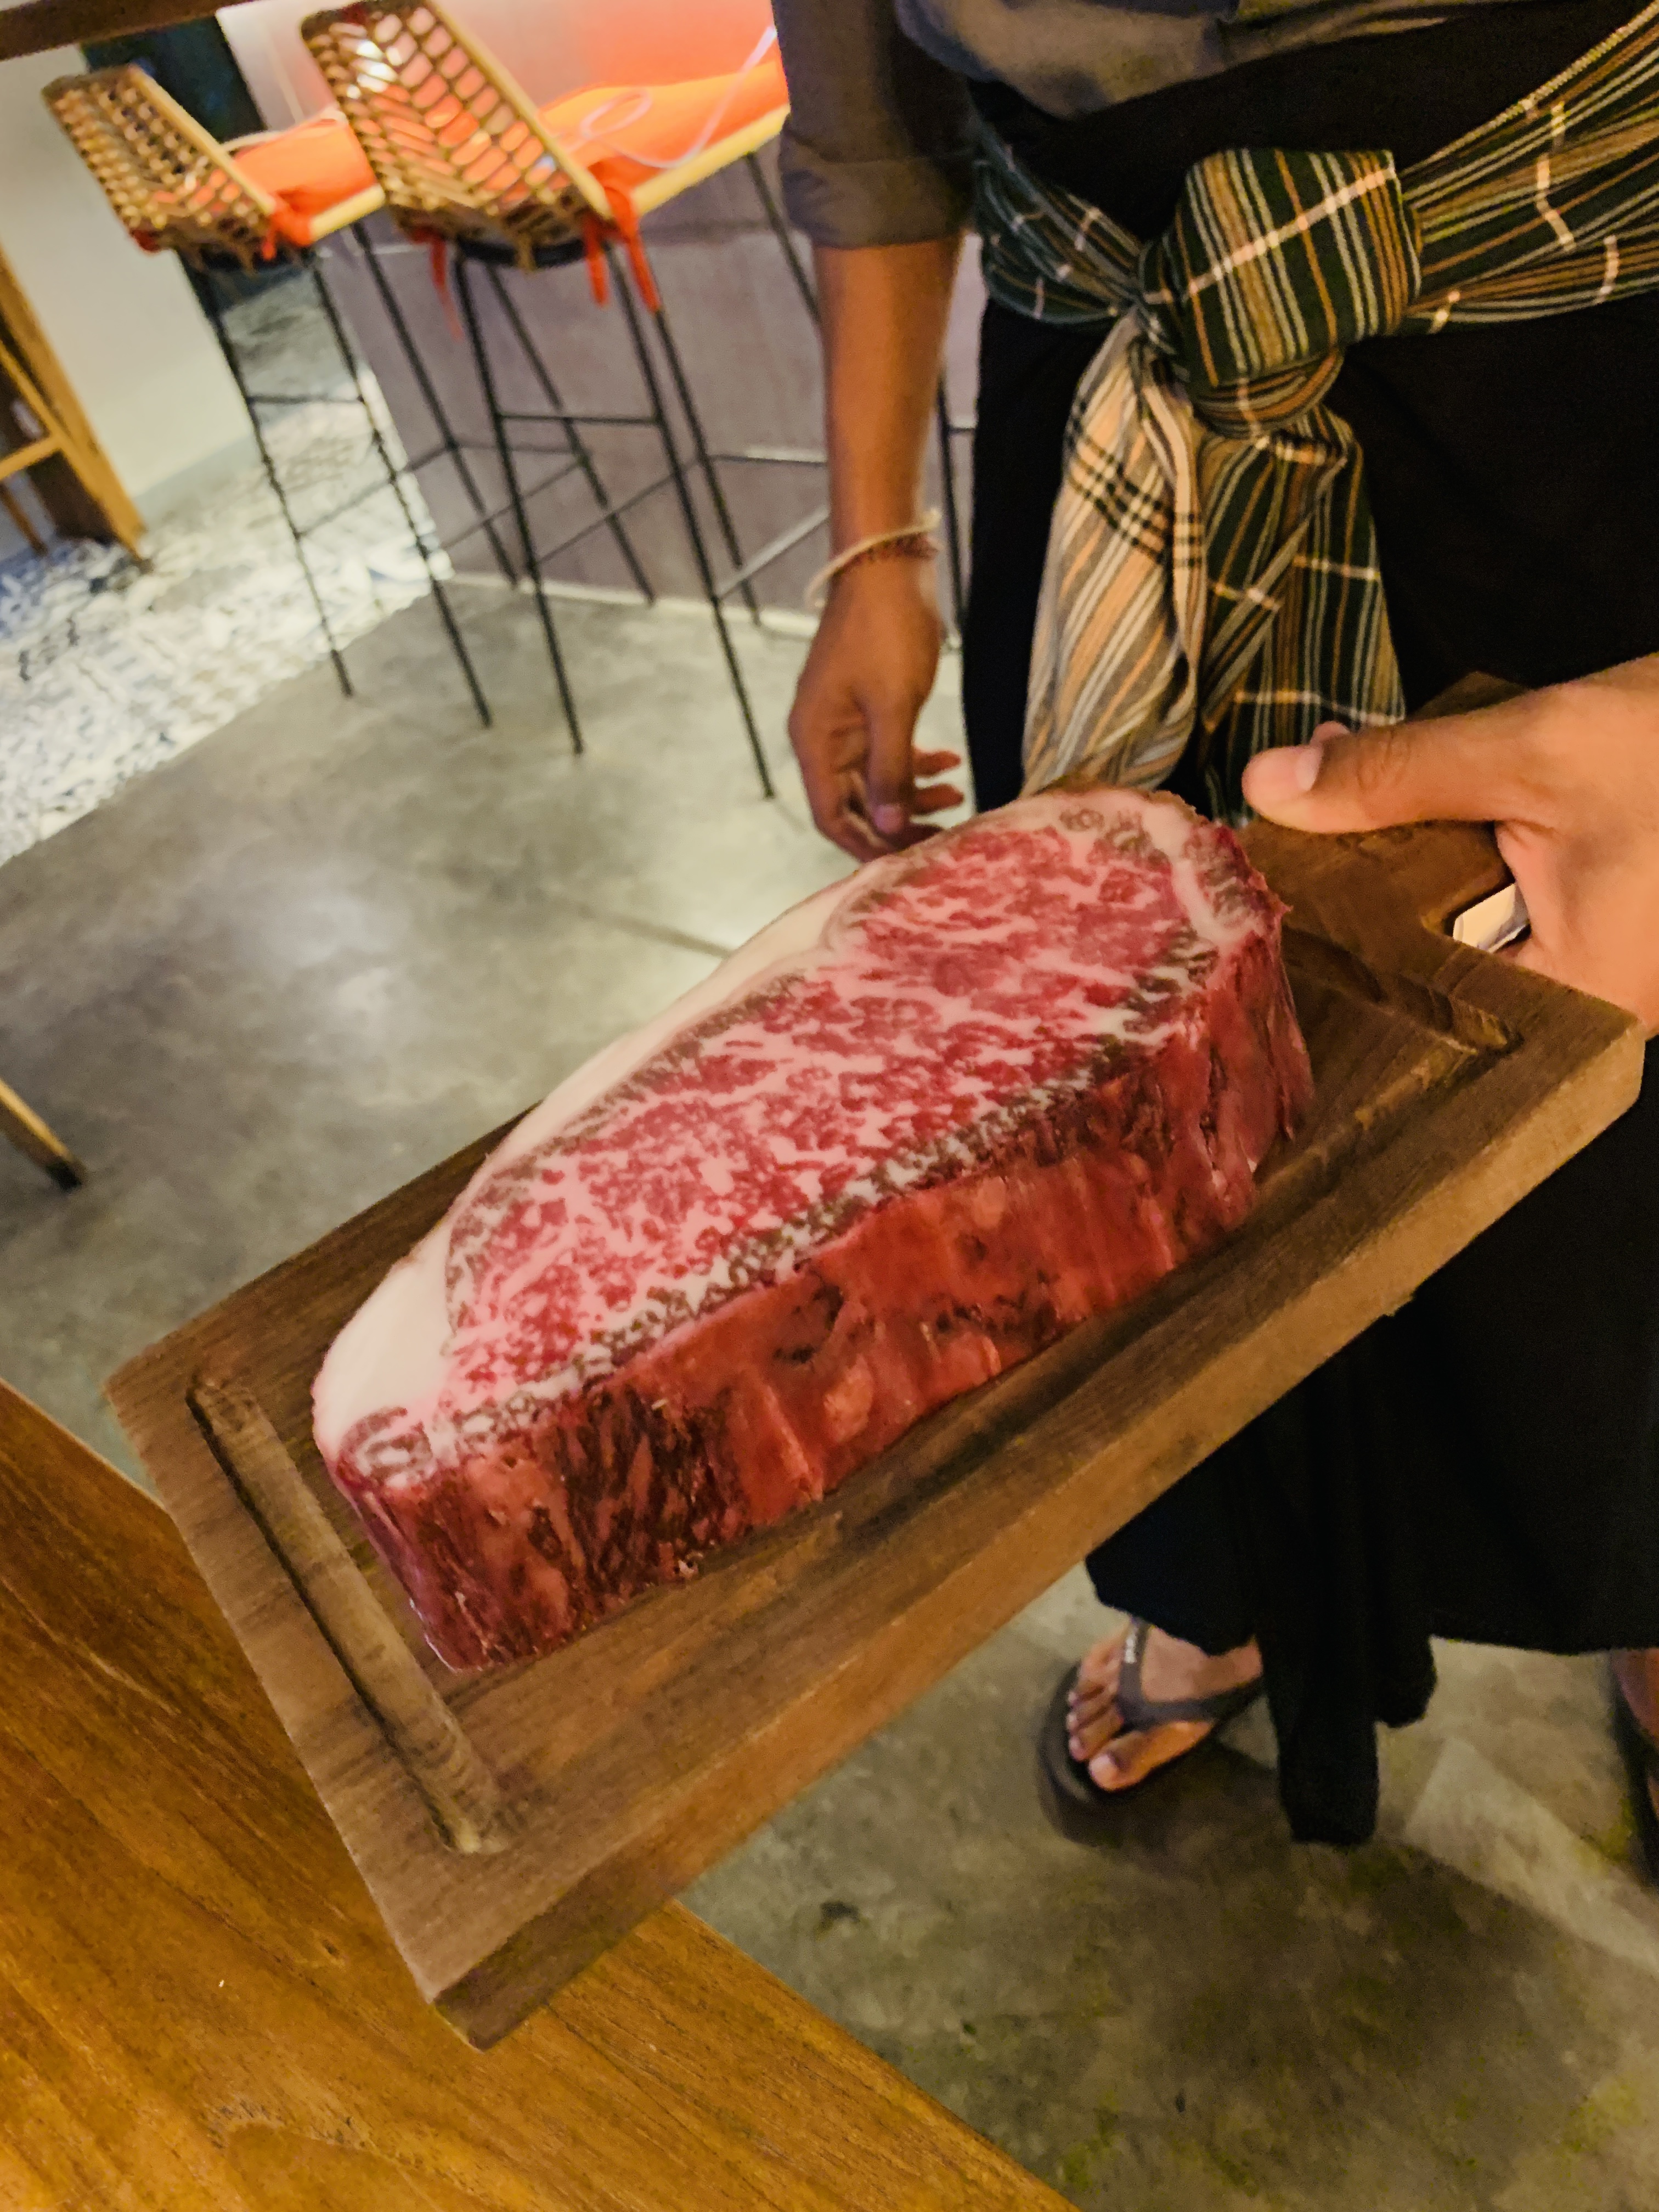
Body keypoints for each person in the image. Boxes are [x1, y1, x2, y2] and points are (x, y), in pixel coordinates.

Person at [772, 0, 1659, 1869]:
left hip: (1574, 336)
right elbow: (868, 112)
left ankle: (1649, 1592)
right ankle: (1218, 1573)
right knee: (1127, 1120)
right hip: (1115, 395)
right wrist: (878, 547)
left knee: (1618, 1140)